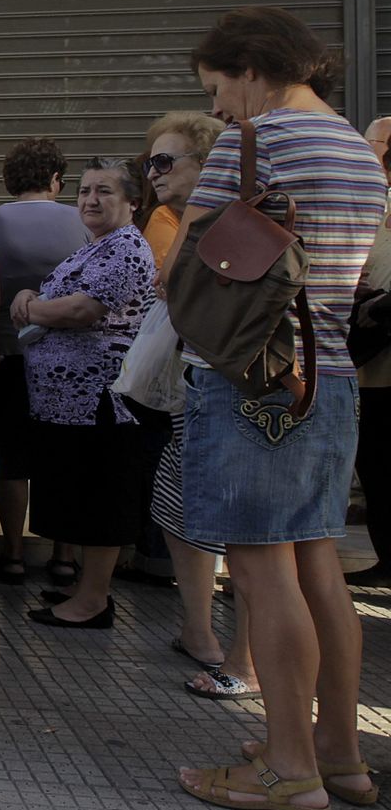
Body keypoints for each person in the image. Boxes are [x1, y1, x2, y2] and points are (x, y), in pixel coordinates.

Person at [174, 8, 386, 810]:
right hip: (330, 378)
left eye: (219, 86)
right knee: (319, 567)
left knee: (263, 573)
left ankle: (289, 770)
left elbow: (183, 267)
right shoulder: (359, 150)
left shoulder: (255, 144)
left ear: (254, 69)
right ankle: (338, 753)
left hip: (255, 381)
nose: (218, 106)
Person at [137, 112, 260, 701]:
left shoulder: (224, 217)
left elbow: (174, 285)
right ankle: (199, 631)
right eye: (149, 162)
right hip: (198, 386)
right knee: (175, 504)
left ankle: (244, 659)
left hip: (233, 387)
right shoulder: (185, 218)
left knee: (246, 529)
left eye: (165, 161)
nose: (153, 173)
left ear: (208, 164)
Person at [15, 158, 165, 629]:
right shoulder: (97, 246)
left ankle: (94, 600)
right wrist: (30, 298)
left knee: (102, 497)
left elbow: (82, 309)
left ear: (133, 202)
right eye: (84, 191)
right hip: (69, 403)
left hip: (102, 400)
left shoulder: (126, 248)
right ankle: (84, 588)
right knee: (81, 494)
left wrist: (29, 307)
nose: (91, 200)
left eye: (104, 191)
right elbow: (59, 299)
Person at [0, 139, 88, 585]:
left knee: (9, 457)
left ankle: (12, 554)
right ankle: (64, 557)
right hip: (69, 358)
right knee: (63, 454)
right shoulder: (82, 222)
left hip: (7, 354)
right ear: (56, 179)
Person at [347, 117, 391, 586]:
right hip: (369, 368)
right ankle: (386, 560)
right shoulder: (372, 211)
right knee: (377, 470)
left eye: (377, 148)